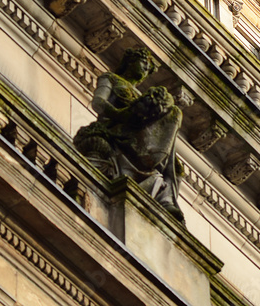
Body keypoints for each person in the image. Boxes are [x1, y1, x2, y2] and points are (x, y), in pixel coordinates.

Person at [74, 47, 184, 220]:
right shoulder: (111, 78)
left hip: (137, 134)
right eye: (144, 63)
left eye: (149, 67)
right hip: (116, 130)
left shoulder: (141, 95)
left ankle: (167, 199)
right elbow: (99, 103)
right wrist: (121, 114)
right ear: (130, 62)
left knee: (175, 117)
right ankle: (163, 195)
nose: (146, 69)